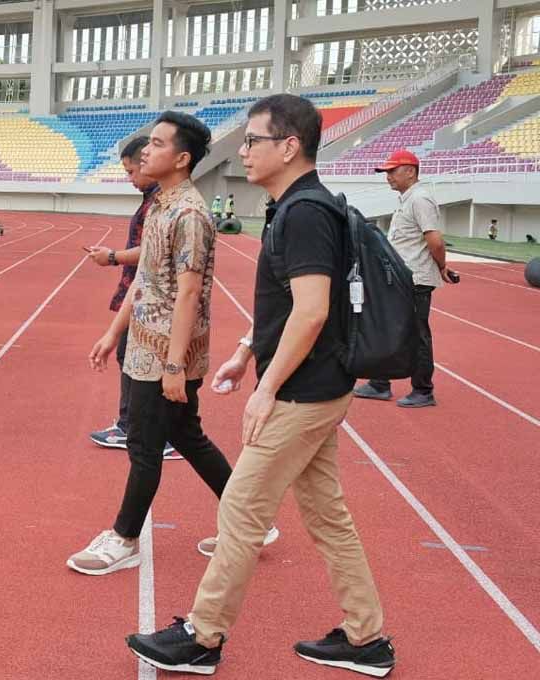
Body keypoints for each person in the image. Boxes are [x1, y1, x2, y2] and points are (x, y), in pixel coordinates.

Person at [125, 94, 394, 678]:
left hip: (304, 392)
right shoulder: (295, 206)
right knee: (328, 517)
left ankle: (203, 634)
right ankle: (366, 637)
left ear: (289, 146)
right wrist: (249, 350)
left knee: (242, 510)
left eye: (253, 141)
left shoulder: (303, 213)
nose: (242, 151)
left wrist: (267, 387)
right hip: (319, 385)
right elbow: (290, 308)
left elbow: (314, 311)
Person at [68, 111, 277, 576]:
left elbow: (188, 291)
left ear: (182, 159)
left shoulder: (190, 213)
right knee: (186, 434)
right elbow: (145, 278)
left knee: (144, 445)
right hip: (145, 343)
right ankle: (252, 522)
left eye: (158, 144)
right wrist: (113, 332)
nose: (146, 150)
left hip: (165, 352)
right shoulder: (161, 204)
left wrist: (175, 365)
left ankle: (124, 539)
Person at [86, 138, 180, 461]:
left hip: (147, 297)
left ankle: (138, 426)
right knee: (130, 356)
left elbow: (151, 253)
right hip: (138, 293)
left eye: (131, 171)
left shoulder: (162, 204)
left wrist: (112, 256)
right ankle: (136, 425)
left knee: (136, 359)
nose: (130, 178)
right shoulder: (152, 201)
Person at [352, 149, 445, 408]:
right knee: (386, 327)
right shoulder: (408, 199)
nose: (388, 176)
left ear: (410, 171)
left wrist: (443, 265)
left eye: (392, 171)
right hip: (402, 278)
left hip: (415, 279)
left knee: (417, 334)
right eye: (386, 172)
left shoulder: (420, 199)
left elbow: (434, 241)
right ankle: (380, 383)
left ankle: (423, 390)